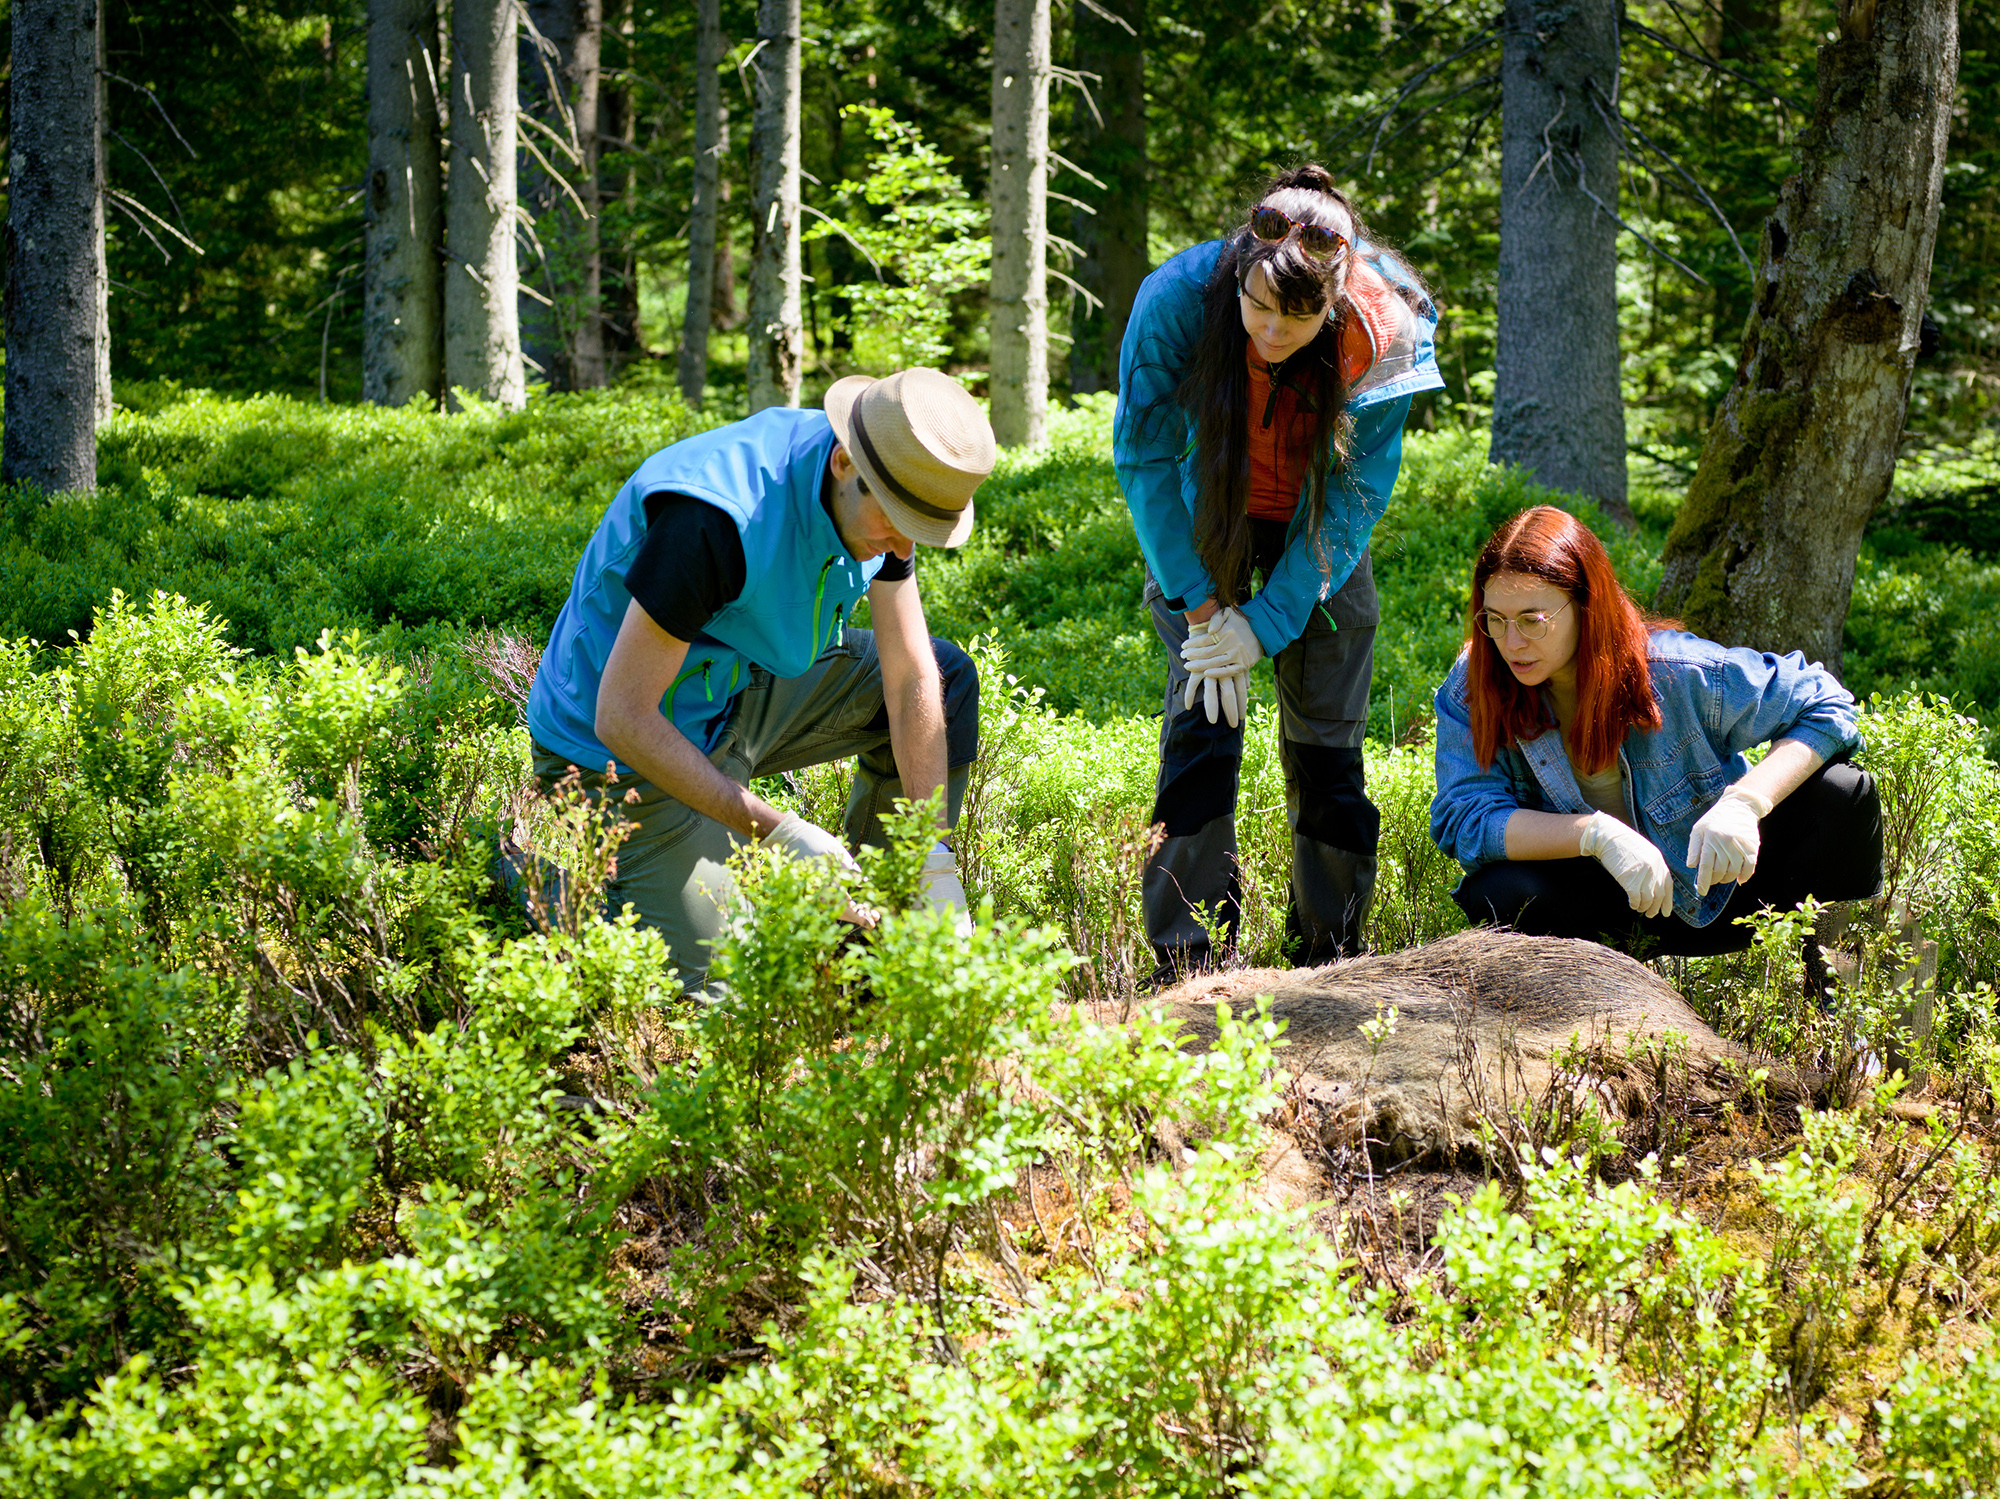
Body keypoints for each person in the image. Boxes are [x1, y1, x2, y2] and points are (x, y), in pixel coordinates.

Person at [524, 367, 994, 989]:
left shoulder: (892, 491)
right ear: (843, 463)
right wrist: (781, 831)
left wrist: (930, 852)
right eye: (895, 520)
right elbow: (622, 716)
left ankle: (861, 949)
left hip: (738, 686)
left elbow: (908, 675)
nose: (903, 543)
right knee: (725, 1005)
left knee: (947, 680)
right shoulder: (714, 521)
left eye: (920, 529)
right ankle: (533, 887)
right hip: (618, 748)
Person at [1115, 163, 1444, 978]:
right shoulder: (1179, 300)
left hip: (1318, 520)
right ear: (1239, 270)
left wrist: (1265, 625)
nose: (1268, 332)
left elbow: (1354, 499)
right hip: (1208, 509)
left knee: (1327, 747)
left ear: (1334, 305)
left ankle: (1330, 956)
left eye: (1294, 323)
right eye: (1256, 308)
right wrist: (1200, 607)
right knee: (1202, 726)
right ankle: (1185, 962)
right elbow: (1144, 455)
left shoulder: (1384, 329)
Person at [1430, 505, 1883, 954]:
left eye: (1532, 620)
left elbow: (1826, 703)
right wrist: (1595, 834)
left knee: (1844, 791)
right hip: (1601, 910)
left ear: (1587, 604)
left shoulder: (1674, 670)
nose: (1511, 643)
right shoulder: (1474, 687)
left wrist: (1744, 803)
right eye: (1494, 619)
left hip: (1724, 887)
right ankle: (1584, 1012)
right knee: (1500, 887)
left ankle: (1833, 973)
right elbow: (1464, 818)